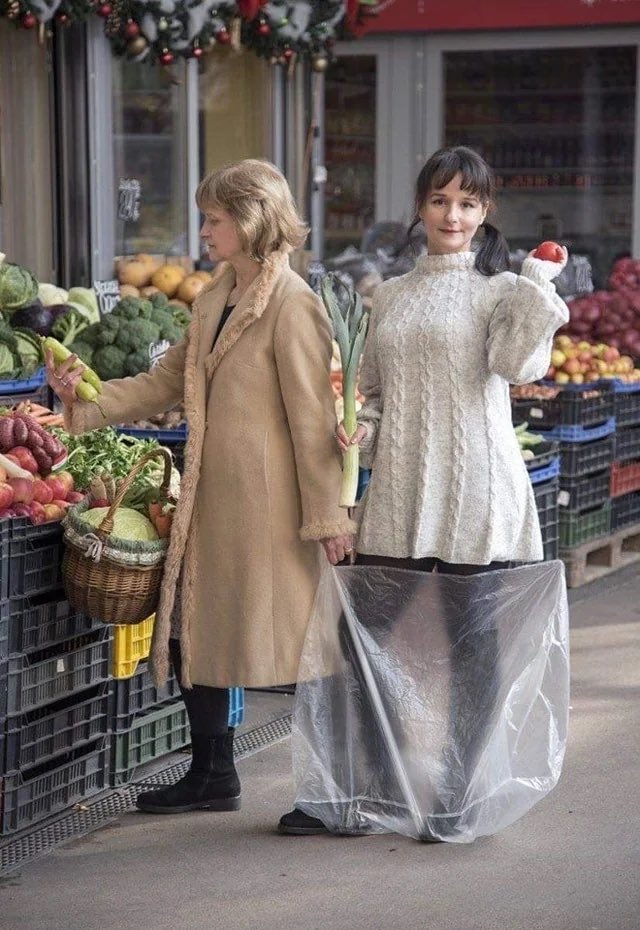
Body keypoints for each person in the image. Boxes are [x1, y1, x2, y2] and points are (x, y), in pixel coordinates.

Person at [46, 158, 355, 819]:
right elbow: (166, 384)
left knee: (302, 646)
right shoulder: (217, 296)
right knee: (192, 632)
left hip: (273, 511)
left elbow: (314, 421)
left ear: (250, 221)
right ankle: (213, 773)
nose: (205, 229)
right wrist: (87, 399)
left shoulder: (293, 306)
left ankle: (336, 790)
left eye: (214, 217)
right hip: (211, 502)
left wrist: (330, 518)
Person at [279, 145, 570, 838]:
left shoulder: (500, 291)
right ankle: (361, 790)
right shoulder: (393, 295)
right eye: (440, 200)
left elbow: (517, 363)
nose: (453, 214)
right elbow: (374, 396)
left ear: (485, 212)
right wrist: (358, 436)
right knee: (363, 640)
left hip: (477, 485)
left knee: (472, 651)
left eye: (468, 203)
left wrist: (536, 288)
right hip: (404, 489)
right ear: (420, 207)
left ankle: (455, 791)